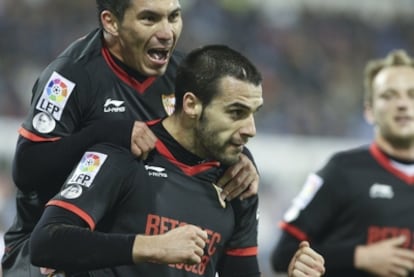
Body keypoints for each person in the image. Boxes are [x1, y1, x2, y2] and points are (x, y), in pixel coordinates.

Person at [2, 1, 259, 276]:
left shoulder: (183, 75)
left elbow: (207, 127)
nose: (167, 32)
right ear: (111, 22)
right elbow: (28, 168)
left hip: (123, 235)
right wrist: (107, 132)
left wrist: (242, 160)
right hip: (47, 246)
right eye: (149, 19)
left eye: (173, 17)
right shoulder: (70, 75)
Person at [29, 44, 325, 277]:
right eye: (236, 113)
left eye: (253, 114)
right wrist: (152, 246)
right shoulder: (123, 154)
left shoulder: (237, 184)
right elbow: (47, 243)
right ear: (192, 104)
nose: (250, 129)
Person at [271, 49, 414, 276]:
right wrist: (359, 256)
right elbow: (282, 255)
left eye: (411, 94)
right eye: (389, 95)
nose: (403, 104)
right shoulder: (342, 171)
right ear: (369, 112)